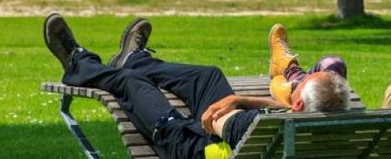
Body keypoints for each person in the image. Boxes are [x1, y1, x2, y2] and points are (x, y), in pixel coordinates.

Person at [43, 14, 351, 159]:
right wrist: (239, 98)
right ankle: (135, 59)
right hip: (226, 147)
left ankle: (79, 63)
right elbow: (290, 110)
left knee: (131, 84)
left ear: (298, 106)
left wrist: (235, 103)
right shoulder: (334, 134)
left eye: (298, 86)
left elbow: (214, 120)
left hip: (186, 144)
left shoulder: (250, 127)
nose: (293, 85)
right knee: (208, 76)